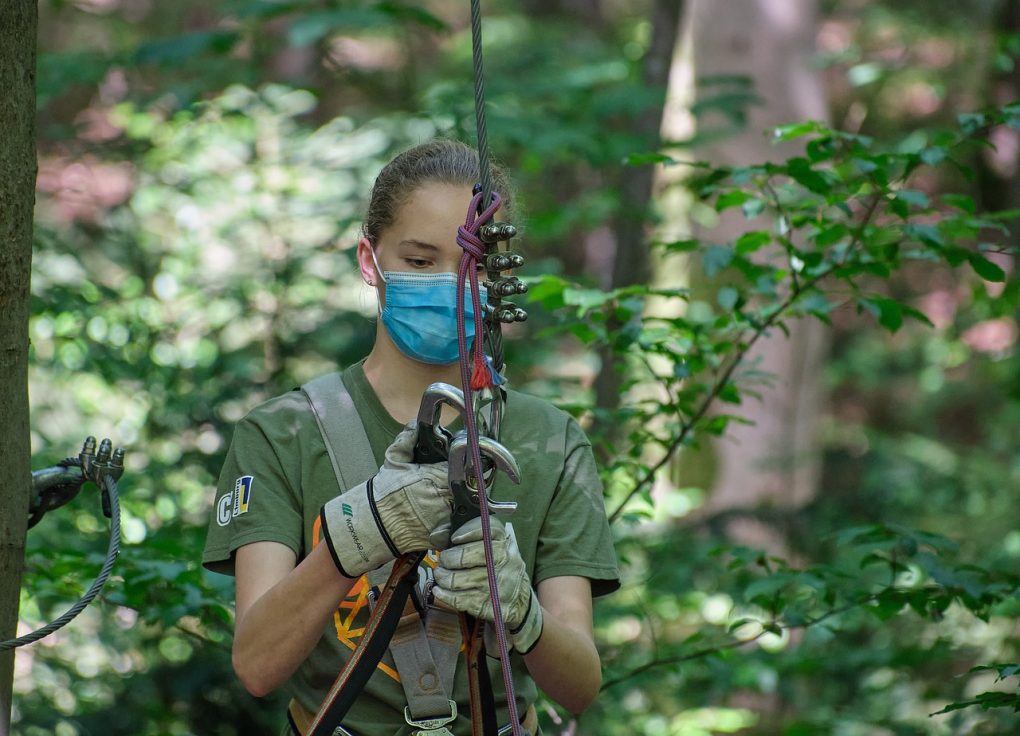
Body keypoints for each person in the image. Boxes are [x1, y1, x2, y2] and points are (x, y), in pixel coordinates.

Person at [202, 139, 620, 736]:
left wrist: (523, 612)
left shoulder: (548, 439)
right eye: (420, 262)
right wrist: (352, 542)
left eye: (470, 267)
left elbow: (579, 686)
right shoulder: (283, 434)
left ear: (500, 274)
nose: (449, 286)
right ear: (370, 261)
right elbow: (257, 664)